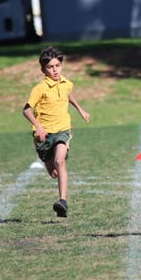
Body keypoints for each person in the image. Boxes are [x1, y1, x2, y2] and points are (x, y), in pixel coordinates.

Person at [23, 46, 90, 218]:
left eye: (57, 65)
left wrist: (81, 110)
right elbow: (26, 110)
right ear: (43, 70)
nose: (55, 70)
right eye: (50, 67)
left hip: (62, 129)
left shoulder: (67, 83)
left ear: (62, 65)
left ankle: (63, 202)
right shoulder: (40, 88)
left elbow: (68, 95)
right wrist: (38, 126)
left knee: (60, 161)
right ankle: (52, 167)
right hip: (44, 135)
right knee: (54, 173)